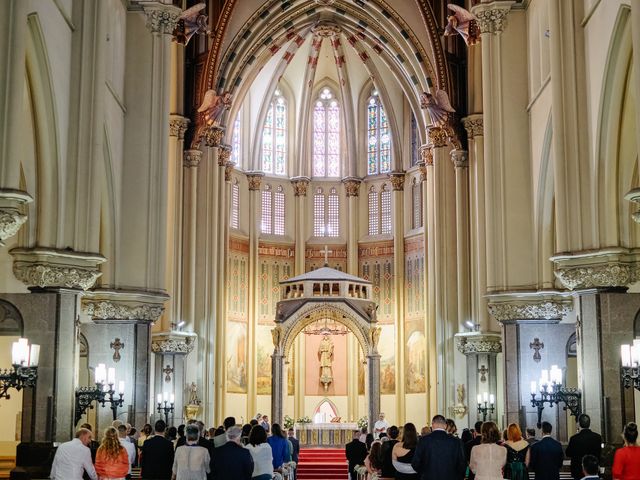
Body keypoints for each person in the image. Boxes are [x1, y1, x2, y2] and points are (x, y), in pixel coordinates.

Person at [411, 415, 466, 480]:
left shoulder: (423, 440)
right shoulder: (456, 442)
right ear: (445, 426)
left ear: (433, 425)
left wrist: (424, 473)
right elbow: (462, 464)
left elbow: (415, 463)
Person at [566, 414, 602, 480]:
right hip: (593, 470)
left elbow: (568, 453)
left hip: (577, 471)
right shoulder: (597, 437)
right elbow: (599, 453)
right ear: (589, 423)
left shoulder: (574, 438)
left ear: (578, 424)